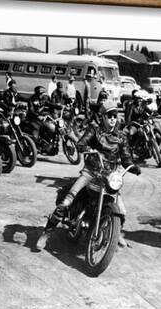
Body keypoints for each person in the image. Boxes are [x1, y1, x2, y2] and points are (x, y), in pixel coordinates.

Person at [36, 100, 140, 250]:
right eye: (109, 115)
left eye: (114, 116)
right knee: (67, 201)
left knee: (122, 211)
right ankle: (47, 233)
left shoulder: (121, 136)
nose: (112, 119)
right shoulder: (94, 129)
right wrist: (88, 149)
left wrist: (132, 166)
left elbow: (125, 157)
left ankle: (114, 233)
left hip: (109, 175)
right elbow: (81, 144)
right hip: (91, 171)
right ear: (103, 116)